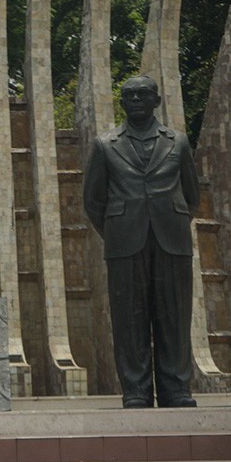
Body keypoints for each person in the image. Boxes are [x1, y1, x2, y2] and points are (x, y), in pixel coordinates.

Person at [83, 75, 200, 409]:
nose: (135, 99)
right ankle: (135, 390)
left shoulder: (177, 141)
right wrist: (118, 228)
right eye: (128, 95)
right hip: (124, 241)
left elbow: (192, 195)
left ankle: (176, 388)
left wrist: (171, 219)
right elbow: (93, 200)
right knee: (129, 317)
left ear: (156, 101)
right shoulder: (105, 144)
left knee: (174, 314)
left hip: (171, 239)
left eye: (142, 94)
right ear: (122, 102)